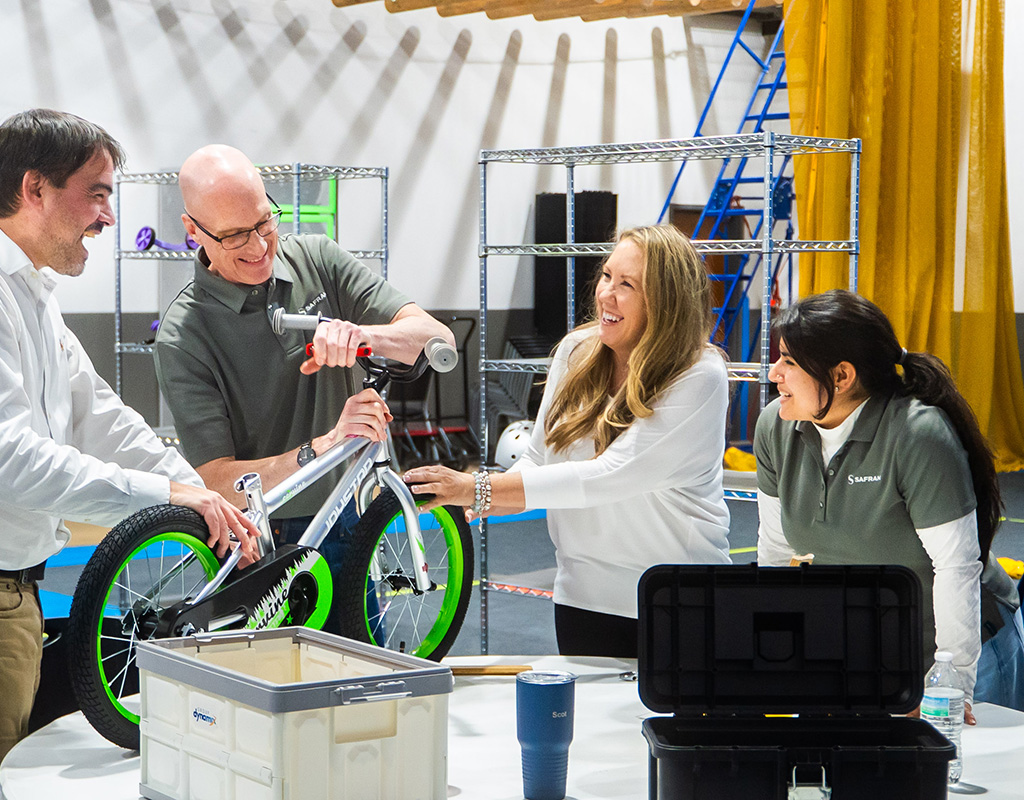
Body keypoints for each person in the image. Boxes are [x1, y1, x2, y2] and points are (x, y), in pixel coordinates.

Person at [0, 109, 258, 800]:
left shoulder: (26, 290)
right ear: (34, 189)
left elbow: (97, 412)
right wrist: (168, 498)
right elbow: (11, 460)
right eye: (97, 192)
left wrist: (202, 495)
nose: (108, 216)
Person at [404, 225, 731, 657]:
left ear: (666, 302)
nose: (606, 294)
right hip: (582, 600)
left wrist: (478, 487)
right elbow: (540, 458)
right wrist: (483, 498)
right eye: (607, 276)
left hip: (678, 603)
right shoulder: (576, 352)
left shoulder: (700, 376)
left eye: (627, 285)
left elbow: (611, 475)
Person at [153, 145, 454, 605]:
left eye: (263, 222)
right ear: (194, 231)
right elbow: (215, 481)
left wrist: (360, 334)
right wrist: (326, 447)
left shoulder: (316, 259)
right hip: (262, 537)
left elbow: (436, 339)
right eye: (234, 236)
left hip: (352, 517)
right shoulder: (183, 333)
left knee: (363, 666)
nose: (258, 247)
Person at [754, 289, 1021, 723]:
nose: (774, 374)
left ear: (842, 377)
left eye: (790, 361)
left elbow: (956, 567)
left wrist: (952, 685)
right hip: (868, 650)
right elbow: (774, 550)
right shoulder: (776, 428)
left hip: (964, 649)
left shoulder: (917, 434)